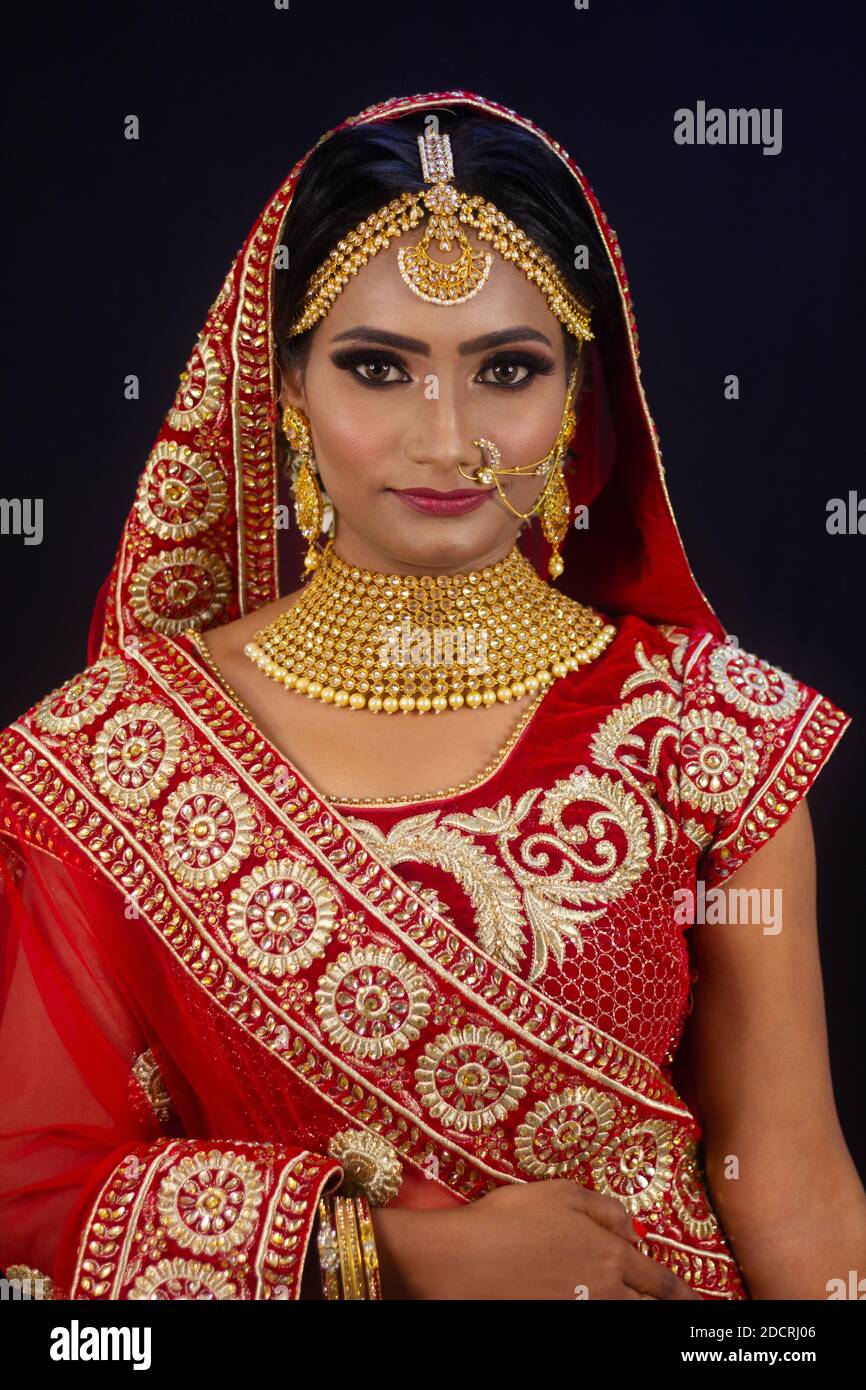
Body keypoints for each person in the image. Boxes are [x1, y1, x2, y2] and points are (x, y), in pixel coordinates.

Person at [1, 89, 863, 1303]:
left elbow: (793, 1189)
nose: (449, 437)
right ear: (287, 386)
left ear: (578, 395)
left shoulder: (706, 728)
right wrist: (394, 1256)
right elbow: (30, 1198)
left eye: (506, 369)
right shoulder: (113, 756)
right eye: (377, 367)